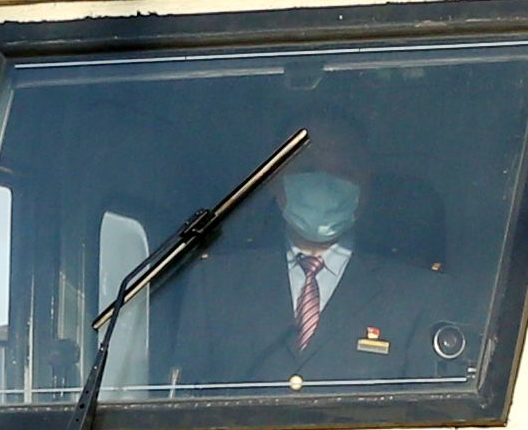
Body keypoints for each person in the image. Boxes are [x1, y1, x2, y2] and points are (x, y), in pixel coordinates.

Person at [160, 138, 475, 393]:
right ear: (274, 182)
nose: (324, 183)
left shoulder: (420, 294)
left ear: (367, 182)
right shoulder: (216, 284)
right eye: (308, 169)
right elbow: (187, 402)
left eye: (342, 171)